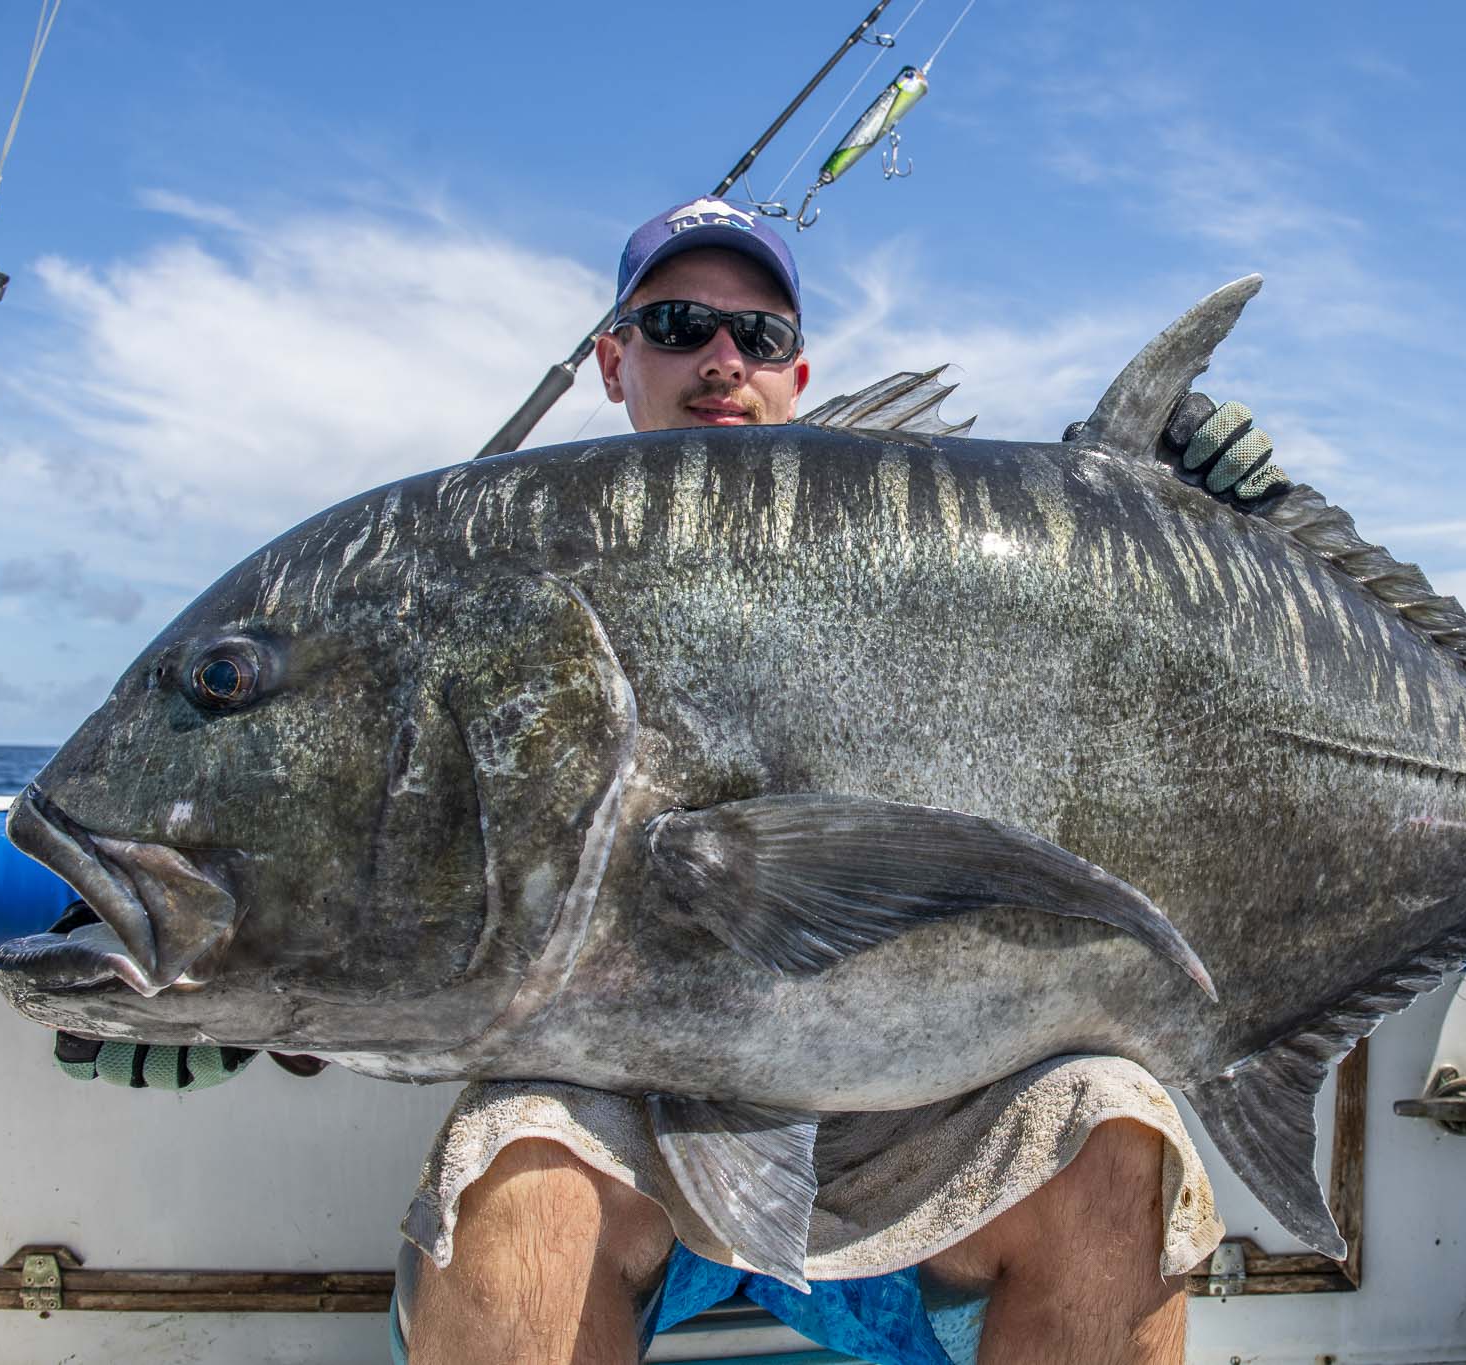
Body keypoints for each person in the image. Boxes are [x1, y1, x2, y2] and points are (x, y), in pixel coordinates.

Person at [406, 198, 1193, 1365]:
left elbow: (1101, 679)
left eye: (758, 336)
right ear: (615, 358)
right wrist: (208, 987)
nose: (722, 359)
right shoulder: (509, 553)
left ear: (797, 369)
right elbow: (385, 822)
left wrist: (1186, 509)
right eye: (677, 324)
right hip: (629, 1122)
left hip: (909, 1120)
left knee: (1117, 1143)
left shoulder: (906, 543)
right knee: (521, 1169)